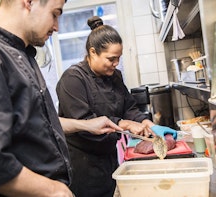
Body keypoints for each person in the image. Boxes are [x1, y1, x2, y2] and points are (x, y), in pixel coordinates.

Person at [0, 1, 122, 196]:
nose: (56, 26)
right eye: (54, 14)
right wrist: (53, 189)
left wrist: (87, 125)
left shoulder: (21, 55)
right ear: (28, 2)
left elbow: (38, 124)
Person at [56, 16, 177, 197]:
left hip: (109, 159)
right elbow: (85, 123)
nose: (116, 64)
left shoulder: (115, 76)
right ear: (93, 52)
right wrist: (125, 124)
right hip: (83, 165)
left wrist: (148, 124)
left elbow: (129, 108)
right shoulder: (73, 79)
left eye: (118, 58)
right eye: (111, 59)